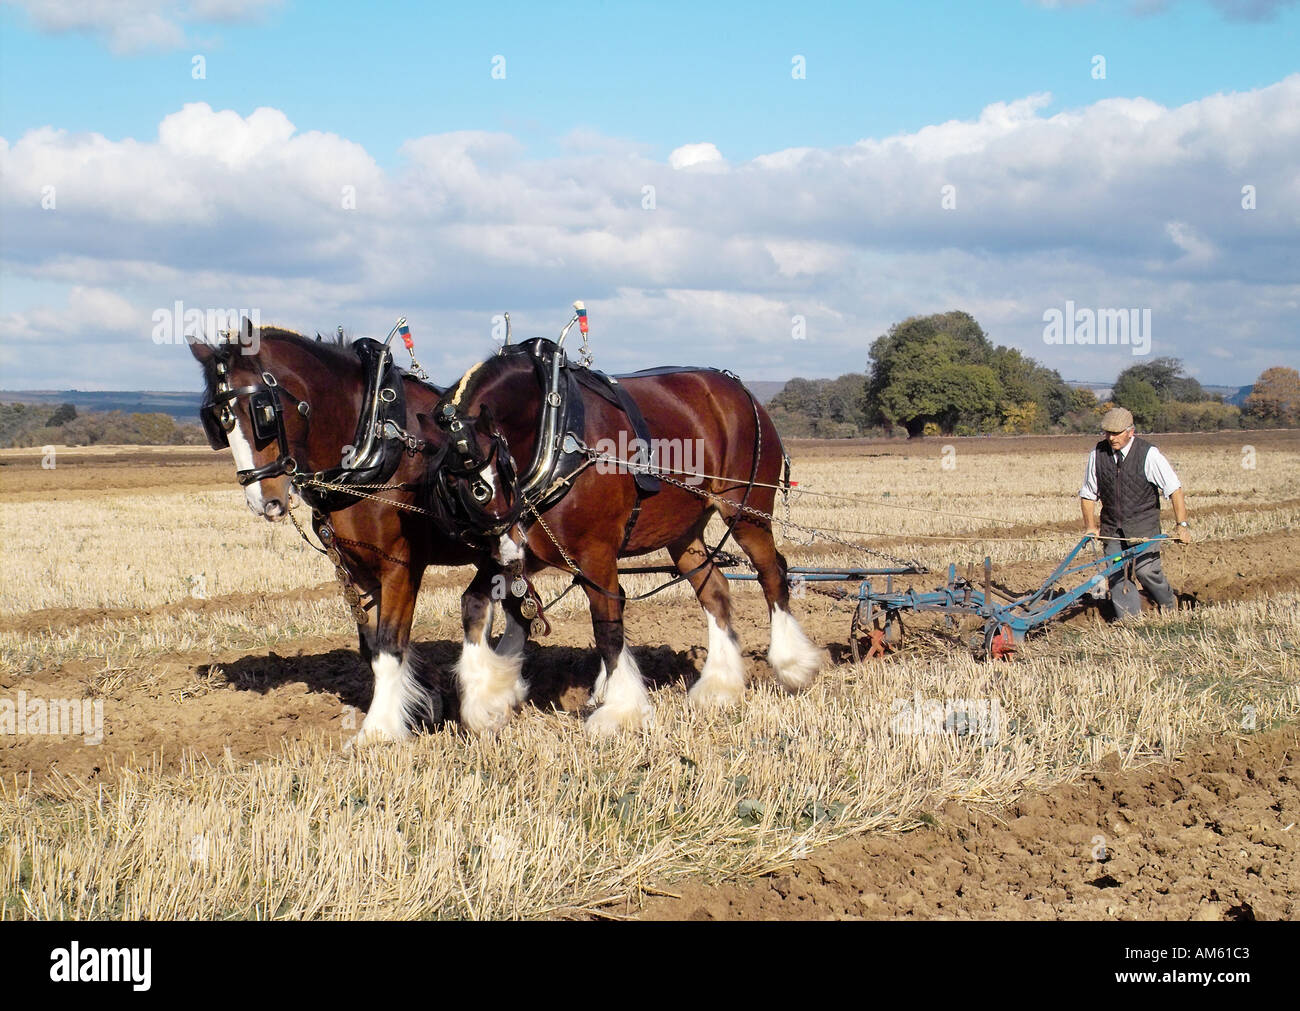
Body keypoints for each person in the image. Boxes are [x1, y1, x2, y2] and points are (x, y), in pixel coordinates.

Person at [1078, 407, 1190, 616]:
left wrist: (1181, 525)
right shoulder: (1098, 454)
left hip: (1143, 526)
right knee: (1117, 574)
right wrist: (1091, 527)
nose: (1111, 438)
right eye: (1108, 433)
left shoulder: (1149, 454)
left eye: (1116, 433)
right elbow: (1088, 494)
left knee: (1146, 571)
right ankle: (1130, 622)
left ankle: (1169, 605)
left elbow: (1174, 489)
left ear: (1131, 431)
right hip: (1112, 528)